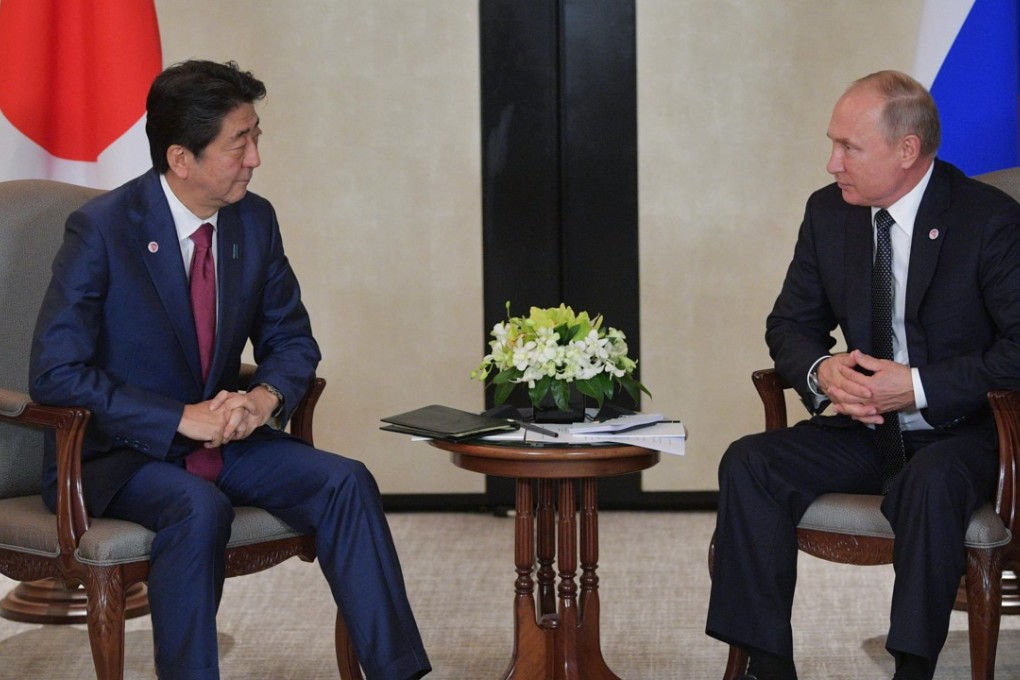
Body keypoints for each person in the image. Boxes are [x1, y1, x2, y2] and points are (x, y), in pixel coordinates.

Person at [29, 59, 431, 680]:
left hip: (229, 434)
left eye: (256, 136)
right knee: (198, 508)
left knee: (346, 481)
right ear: (181, 158)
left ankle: (397, 672)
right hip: (123, 453)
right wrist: (177, 418)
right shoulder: (104, 230)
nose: (255, 158)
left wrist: (265, 399)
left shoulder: (253, 219)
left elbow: (292, 339)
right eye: (239, 142)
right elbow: (56, 373)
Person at [705, 70, 1020, 680]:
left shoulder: (989, 220)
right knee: (749, 462)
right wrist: (823, 371)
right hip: (867, 428)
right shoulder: (830, 214)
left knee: (929, 481)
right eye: (832, 144)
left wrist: (919, 385)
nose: (831, 163)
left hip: (969, 430)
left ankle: (911, 667)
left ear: (908, 150)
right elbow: (790, 324)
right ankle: (765, 666)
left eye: (849, 147)